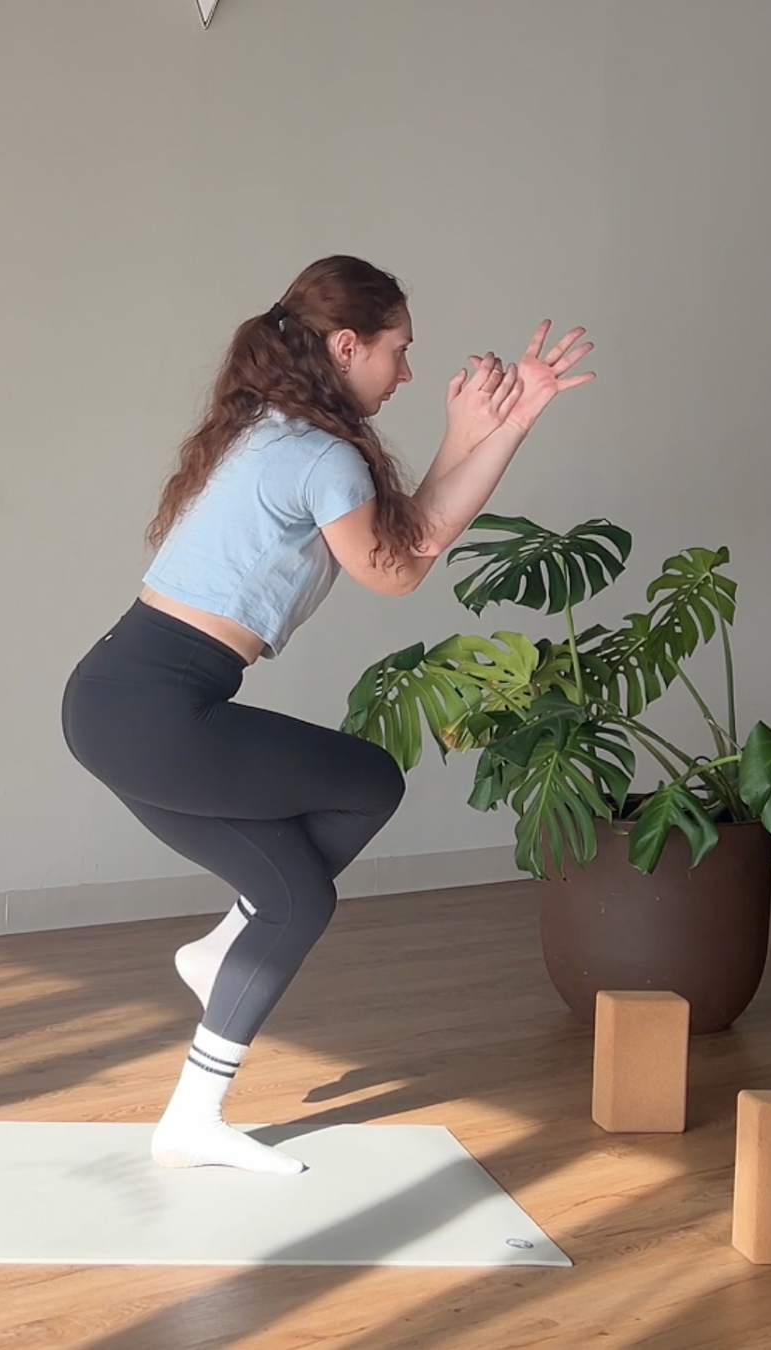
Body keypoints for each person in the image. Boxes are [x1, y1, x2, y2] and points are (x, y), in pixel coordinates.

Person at [59, 254, 594, 1175]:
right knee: (366, 783)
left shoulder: (277, 431)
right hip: (156, 708)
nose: (409, 372)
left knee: (297, 893)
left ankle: (199, 1077)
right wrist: (502, 428)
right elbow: (404, 565)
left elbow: (409, 530)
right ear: (348, 346)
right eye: (399, 351)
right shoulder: (321, 454)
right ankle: (225, 958)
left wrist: (485, 428)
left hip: (117, 698)